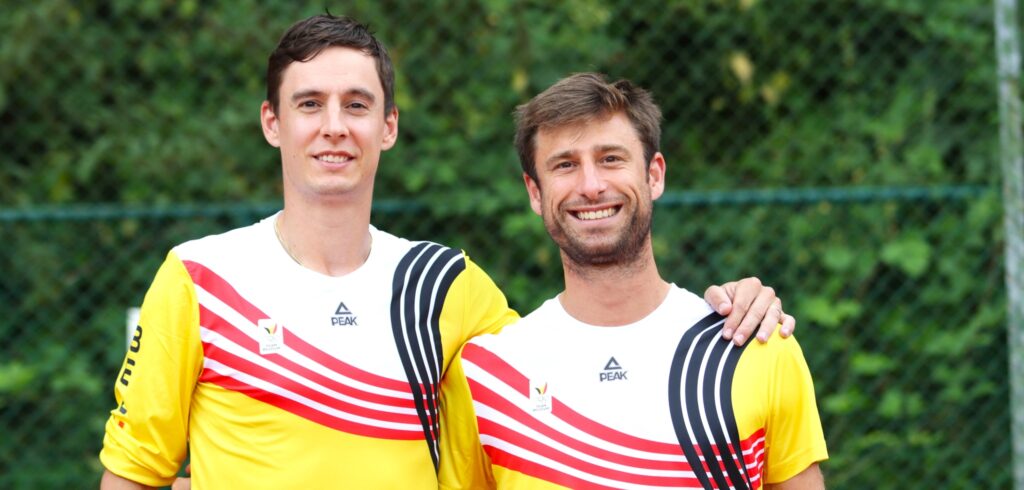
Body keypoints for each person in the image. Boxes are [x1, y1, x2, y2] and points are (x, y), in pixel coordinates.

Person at [98, 15, 794, 489]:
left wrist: (734, 309)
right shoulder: (197, 277)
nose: (334, 127)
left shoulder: (445, 286)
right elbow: (132, 473)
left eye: (357, 104)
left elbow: (584, 355)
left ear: (389, 126)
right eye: (309, 105)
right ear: (272, 123)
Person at [438, 73, 827, 489]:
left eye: (611, 159)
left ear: (654, 175)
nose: (591, 186)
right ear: (535, 192)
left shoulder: (754, 343)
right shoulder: (485, 372)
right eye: (565, 165)